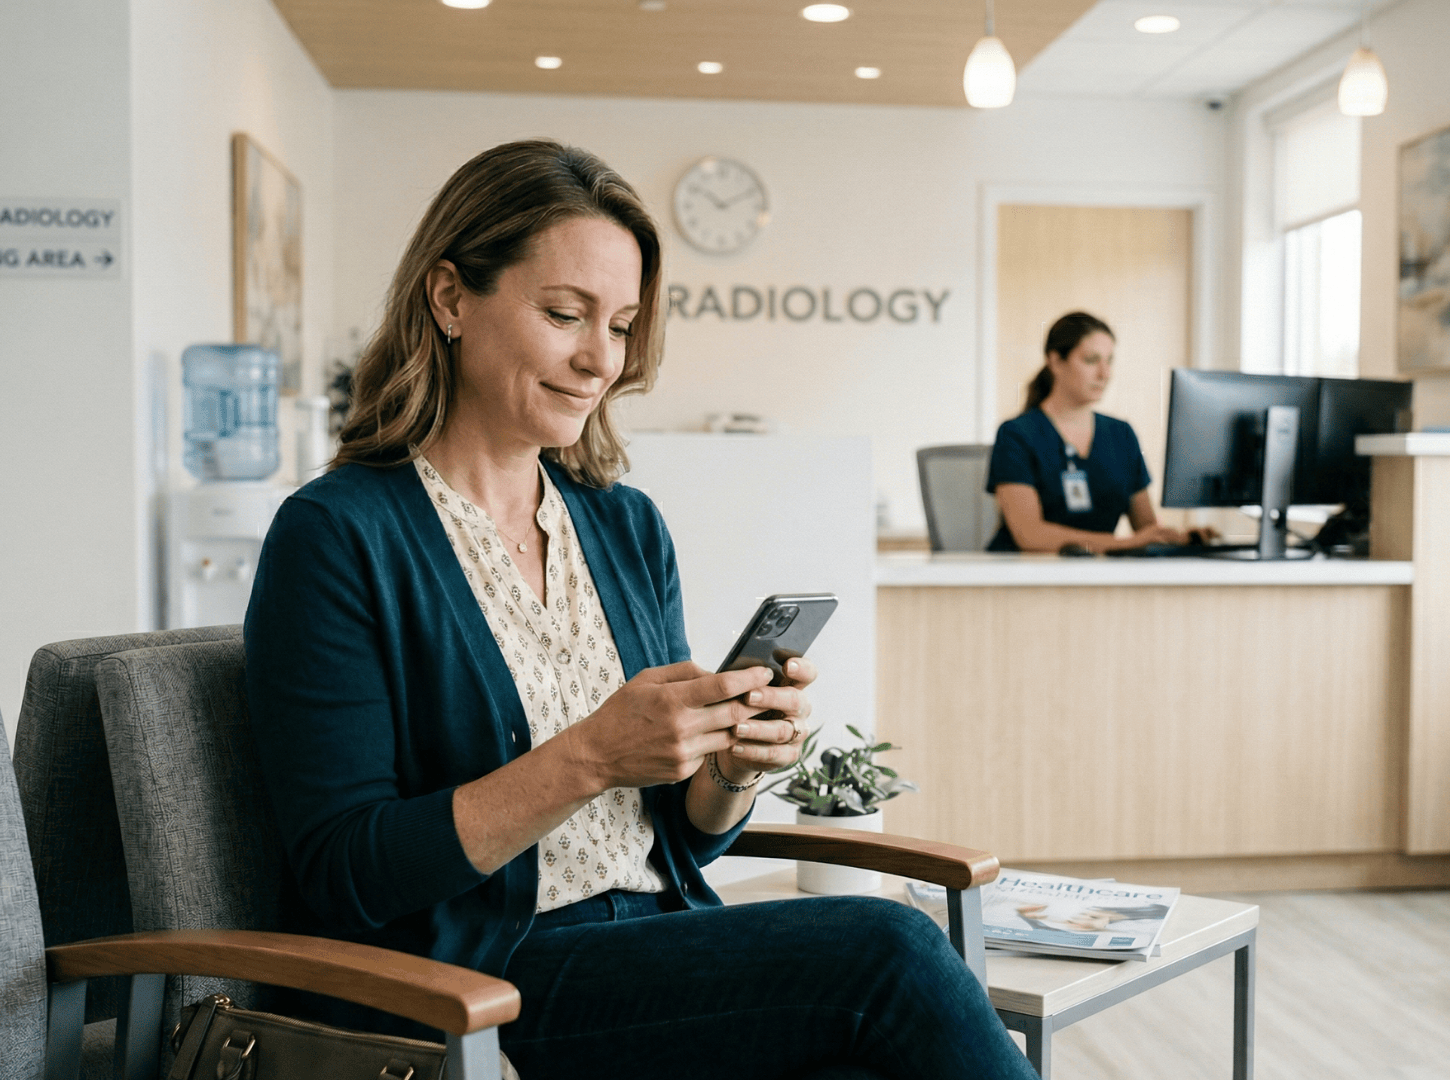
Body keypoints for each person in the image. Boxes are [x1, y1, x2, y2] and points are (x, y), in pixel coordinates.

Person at [243, 139, 1034, 1080]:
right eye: (564, 314)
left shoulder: (621, 525)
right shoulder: (338, 535)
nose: (598, 361)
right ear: (450, 298)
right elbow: (346, 871)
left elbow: (681, 828)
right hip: (481, 980)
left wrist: (732, 766)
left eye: (619, 326)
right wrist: (587, 756)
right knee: (889, 955)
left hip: (652, 944)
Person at [985, 312, 1199, 553]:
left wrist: (1177, 538)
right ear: (1055, 362)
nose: (1104, 373)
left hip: (1096, 577)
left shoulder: (1121, 434)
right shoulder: (1016, 435)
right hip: (1024, 578)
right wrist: (1123, 543)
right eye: (1091, 360)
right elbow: (1031, 535)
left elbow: (1146, 529)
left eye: (1109, 361)